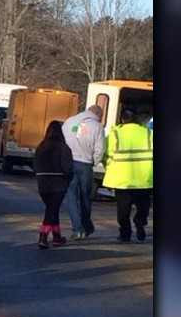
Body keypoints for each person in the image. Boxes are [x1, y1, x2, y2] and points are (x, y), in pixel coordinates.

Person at [103, 105, 154, 242]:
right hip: (145, 178)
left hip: (121, 179)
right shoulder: (149, 133)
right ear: (136, 119)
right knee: (143, 205)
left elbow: (105, 154)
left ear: (122, 119)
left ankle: (125, 233)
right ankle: (140, 221)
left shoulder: (114, 134)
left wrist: (109, 167)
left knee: (123, 209)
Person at [60, 102, 106, 240]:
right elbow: (100, 149)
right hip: (85, 164)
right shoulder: (97, 127)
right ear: (97, 114)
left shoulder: (69, 122)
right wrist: (95, 161)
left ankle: (77, 229)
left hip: (68, 163)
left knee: (71, 196)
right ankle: (86, 226)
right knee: (85, 197)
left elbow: (62, 142)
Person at [32, 120, 74, 249]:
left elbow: (35, 165)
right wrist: (68, 178)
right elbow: (67, 167)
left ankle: (57, 236)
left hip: (43, 183)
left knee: (52, 210)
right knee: (51, 210)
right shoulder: (63, 147)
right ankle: (43, 237)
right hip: (58, 183)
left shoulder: (41, 146)